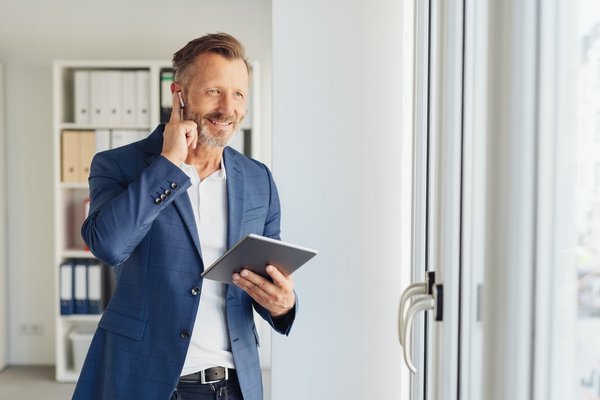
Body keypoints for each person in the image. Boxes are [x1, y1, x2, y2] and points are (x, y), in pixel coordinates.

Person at [72, 32, 296, 400]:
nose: (228, 108)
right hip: (143, 380)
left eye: (238, 94)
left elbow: (265, 276)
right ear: (178, 94)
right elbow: (108, 245)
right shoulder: (119, 165)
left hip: (233, 386)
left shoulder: (259, 179)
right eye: (214, 91)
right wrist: (169, 165)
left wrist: (283, 304)